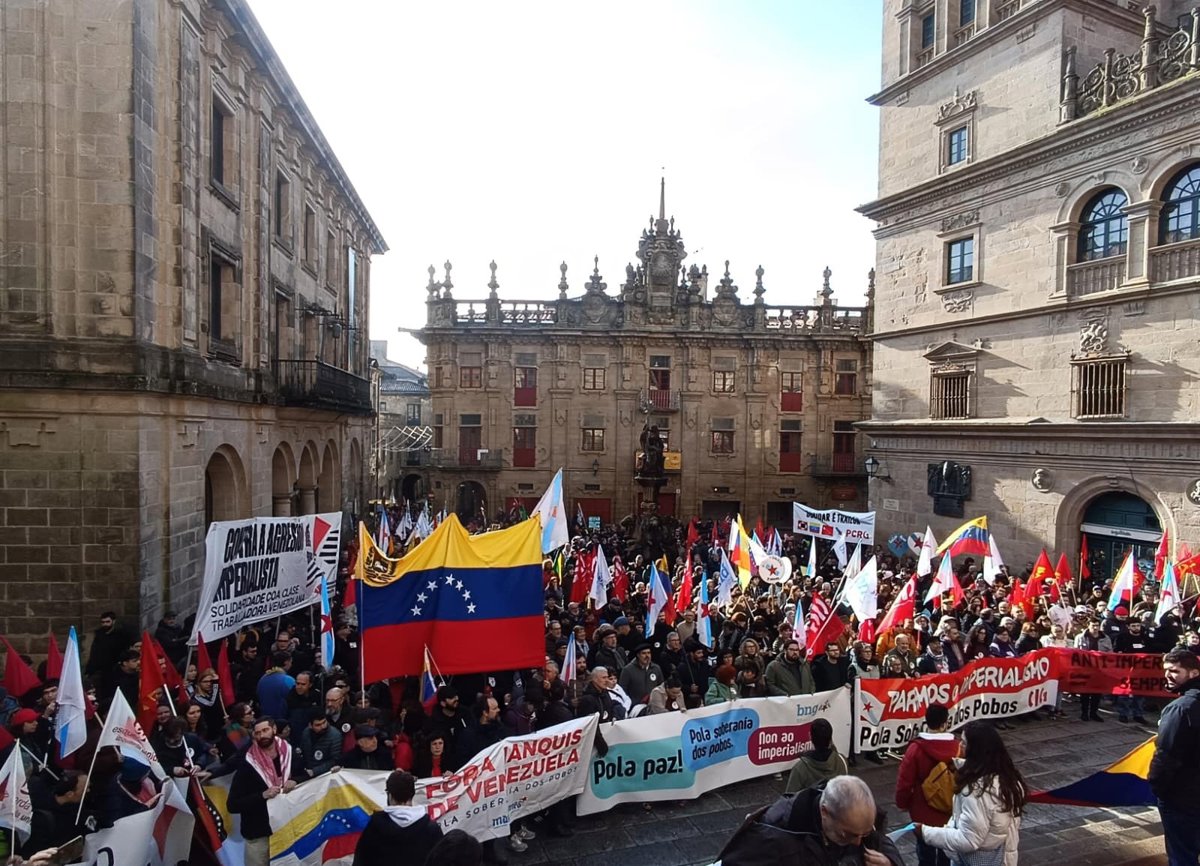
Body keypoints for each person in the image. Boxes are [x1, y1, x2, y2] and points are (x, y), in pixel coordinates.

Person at [718, 774, 904, 865]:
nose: (858, 842)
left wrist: (890, 862)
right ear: (825, 812)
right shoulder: (774, 835)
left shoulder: (853, 813)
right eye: (847, 834)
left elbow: (880, 839)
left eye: (864, 833)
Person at [916, 720, 1026, 866]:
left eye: (964, 742)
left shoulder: (975, 790)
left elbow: (968, 839)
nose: (959, 745)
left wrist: (925, 833)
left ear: (975, 750)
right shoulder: (1008, 779)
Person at [1148, 648, 1200, 865]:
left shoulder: (1180, 709)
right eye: (1166, 670)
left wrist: (1157, 786)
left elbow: (1166, 755)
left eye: (1175, 671)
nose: (1168, 675)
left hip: (1182, 796)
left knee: (1182, 855)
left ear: (1193, 673)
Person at [228, 717, 299, 866]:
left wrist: (296, 781)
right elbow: (232, 805)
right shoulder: (247, 764)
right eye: (257, 733)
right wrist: (262, 796)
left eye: (265, 730)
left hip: (288, 827)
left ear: (274, 730)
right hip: (258, 833)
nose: (262, 736)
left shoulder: (289, 753)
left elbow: (305, 775)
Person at [894, 704, 959, 866]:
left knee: (925, 856)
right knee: (947, 853)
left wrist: (902, 803)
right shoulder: (958, 748)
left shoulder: (915, 749)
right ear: (945, 723)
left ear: (926, 721)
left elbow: (904, 782)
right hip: (950, 811)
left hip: (922, 812)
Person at [352, 770, 443, 866]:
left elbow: (360, 862)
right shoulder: (431, 829)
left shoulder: (374, 827)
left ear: (389, 795)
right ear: (412, 794)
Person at [784, 718, 847, 794]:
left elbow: (789, 798)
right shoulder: (842, 761)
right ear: (831, 739)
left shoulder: (800, 768)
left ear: (810, 736)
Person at [1073, 618, 1112, 721]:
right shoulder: (1080, 637)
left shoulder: (1106, 638)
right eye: (1093, 625)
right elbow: (1076, 652)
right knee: (1085, 692)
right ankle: (1084, 712)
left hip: (1099, 670)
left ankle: (1094, 713)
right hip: (1085, 669)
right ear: (1088, 626)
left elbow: (1110, 653)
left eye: (1097, 626)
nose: (1095, 628)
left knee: (1097, 692)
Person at [298, 708, 342, 778]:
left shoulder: (335, 735)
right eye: (318, 725)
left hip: (326, 775)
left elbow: (334, 760)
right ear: (310, 725)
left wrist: (314, 771)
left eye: (324, 722)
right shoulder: (306, 733)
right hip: (307, 772)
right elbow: (303, 752)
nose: (323, 727)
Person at [618, 644, 664, 708]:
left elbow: (661, 687)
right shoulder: (628, 670)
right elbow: (622, 690)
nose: (647, 656)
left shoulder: (656, 668)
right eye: (644, 653)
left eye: (649, 653)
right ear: (638, 655)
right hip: (635, 707)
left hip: (654, 706)